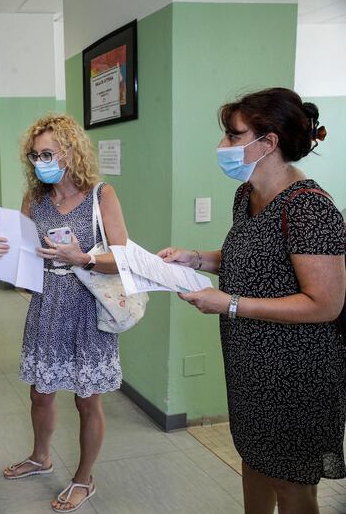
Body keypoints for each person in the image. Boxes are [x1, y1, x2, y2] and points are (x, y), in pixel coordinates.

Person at [159, 88, 345, 514]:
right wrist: (197, 257)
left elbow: (325, 303)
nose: (222, 147)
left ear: (269, 143)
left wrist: (231, 304)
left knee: (290, 483)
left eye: (232, 136)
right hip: (250, 362)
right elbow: (250, 258)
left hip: (296, 369)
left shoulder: (309, 209)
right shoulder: (247, 196)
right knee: (255, 461)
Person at [0, 113, 130, 512]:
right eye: (35, 155)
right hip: (47, 304)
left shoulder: (102, 195)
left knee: (87, 400)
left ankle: (85, 478)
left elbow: (122, 258)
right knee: (40, 392)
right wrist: (5, 252)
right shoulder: (35, 199)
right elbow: (24, 260)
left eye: (48, 153)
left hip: (88, 307)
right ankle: (40, 456)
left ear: (71, 151)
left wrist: (81, 257)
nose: (40, 162)